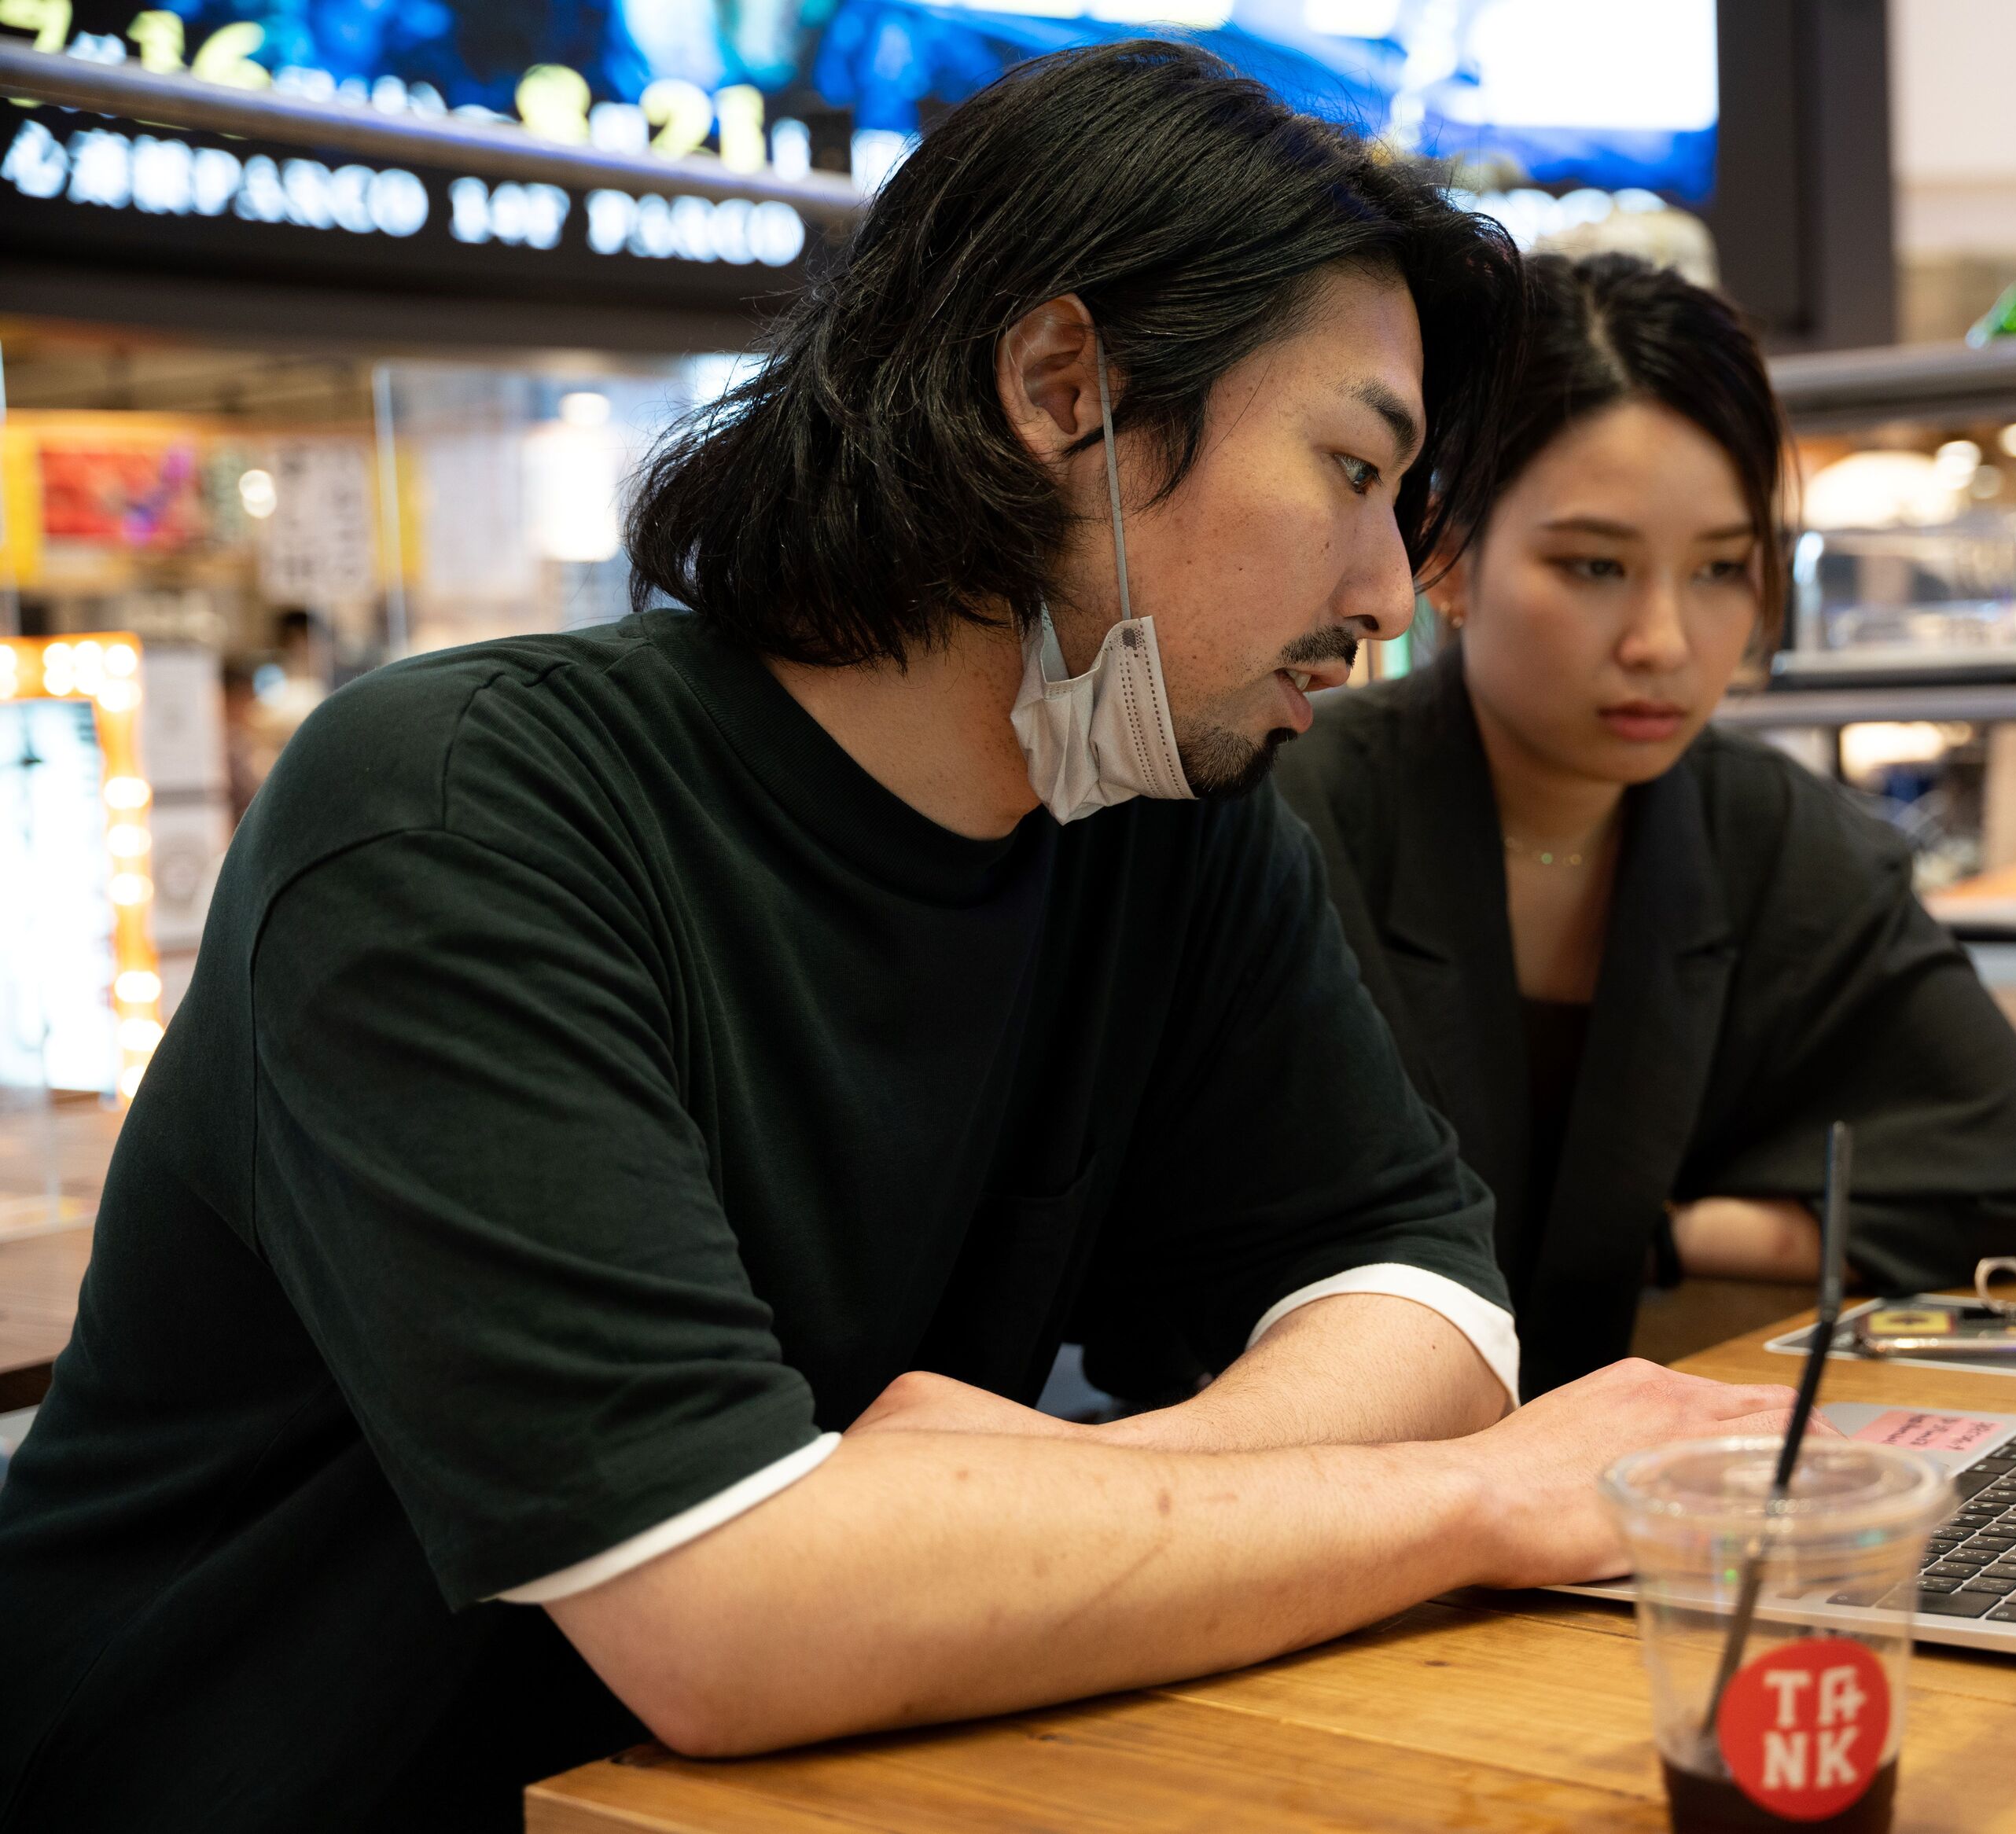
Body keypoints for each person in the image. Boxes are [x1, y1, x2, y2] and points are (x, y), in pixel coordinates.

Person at [0, 51, 1796, 1832]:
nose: (1387, 595)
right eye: (1348, 469)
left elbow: (1423, 1297)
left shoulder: (1164, 814)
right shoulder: (465, 815)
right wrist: (1486, 1502)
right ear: (1061, 387)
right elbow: (728, 1618)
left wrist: (1020, 1501)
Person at [1272, 255, 2016, 1398]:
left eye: (1719, 569)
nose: (1662, 637)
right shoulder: (1286, 818)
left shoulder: (1768, 830)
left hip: (1630, 1496)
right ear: (1449, 555)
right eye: (1595, 564)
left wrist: (1673, 1232)